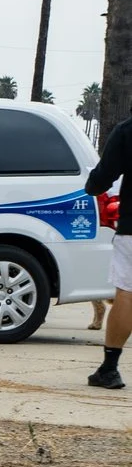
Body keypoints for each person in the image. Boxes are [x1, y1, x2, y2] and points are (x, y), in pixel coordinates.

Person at [88, 110, 132, 389]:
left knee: (127, 292)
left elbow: (103, 177)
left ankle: (109, 368)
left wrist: (92, 185)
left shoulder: (127, 130)